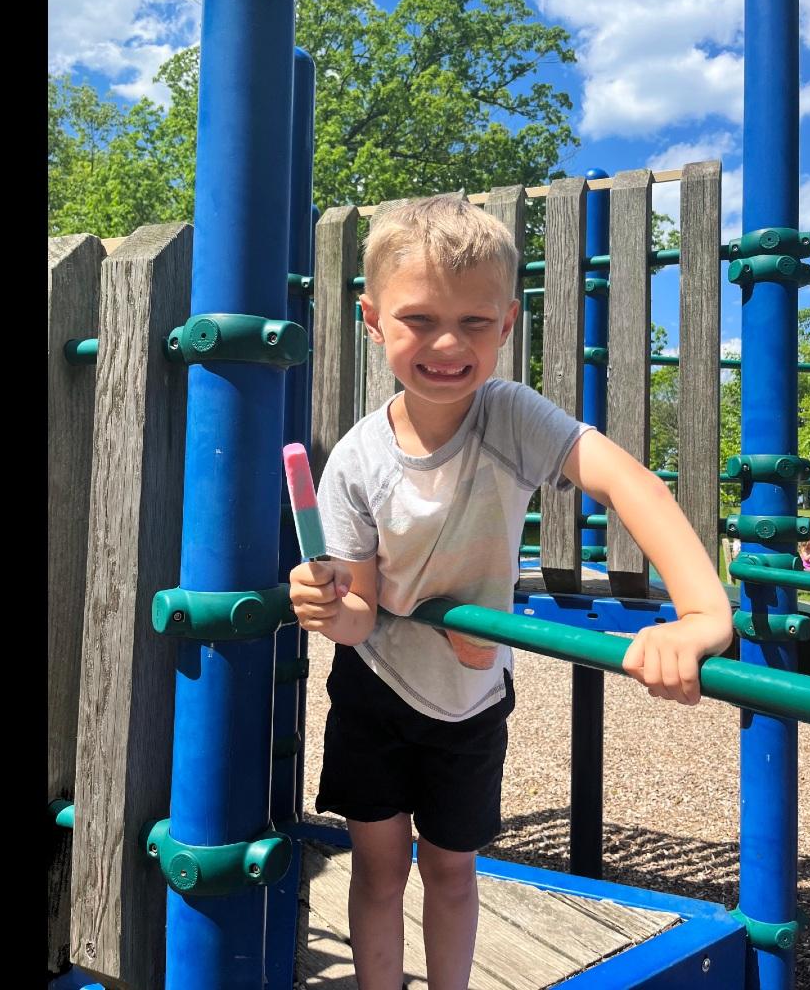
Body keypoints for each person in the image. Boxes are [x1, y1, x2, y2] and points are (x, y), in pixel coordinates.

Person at [287, 194, 734, 990]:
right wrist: (329, 607)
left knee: (454, 872)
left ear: (507, 324)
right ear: (372, 318)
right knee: (379, 869)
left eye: (476, 322)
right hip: (376, 686)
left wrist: (701, 614)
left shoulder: (508, 416)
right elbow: (356, 618)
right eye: (419, 319)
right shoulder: (356, 459)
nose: (448, 344)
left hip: (472, 694)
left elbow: (632, 486)